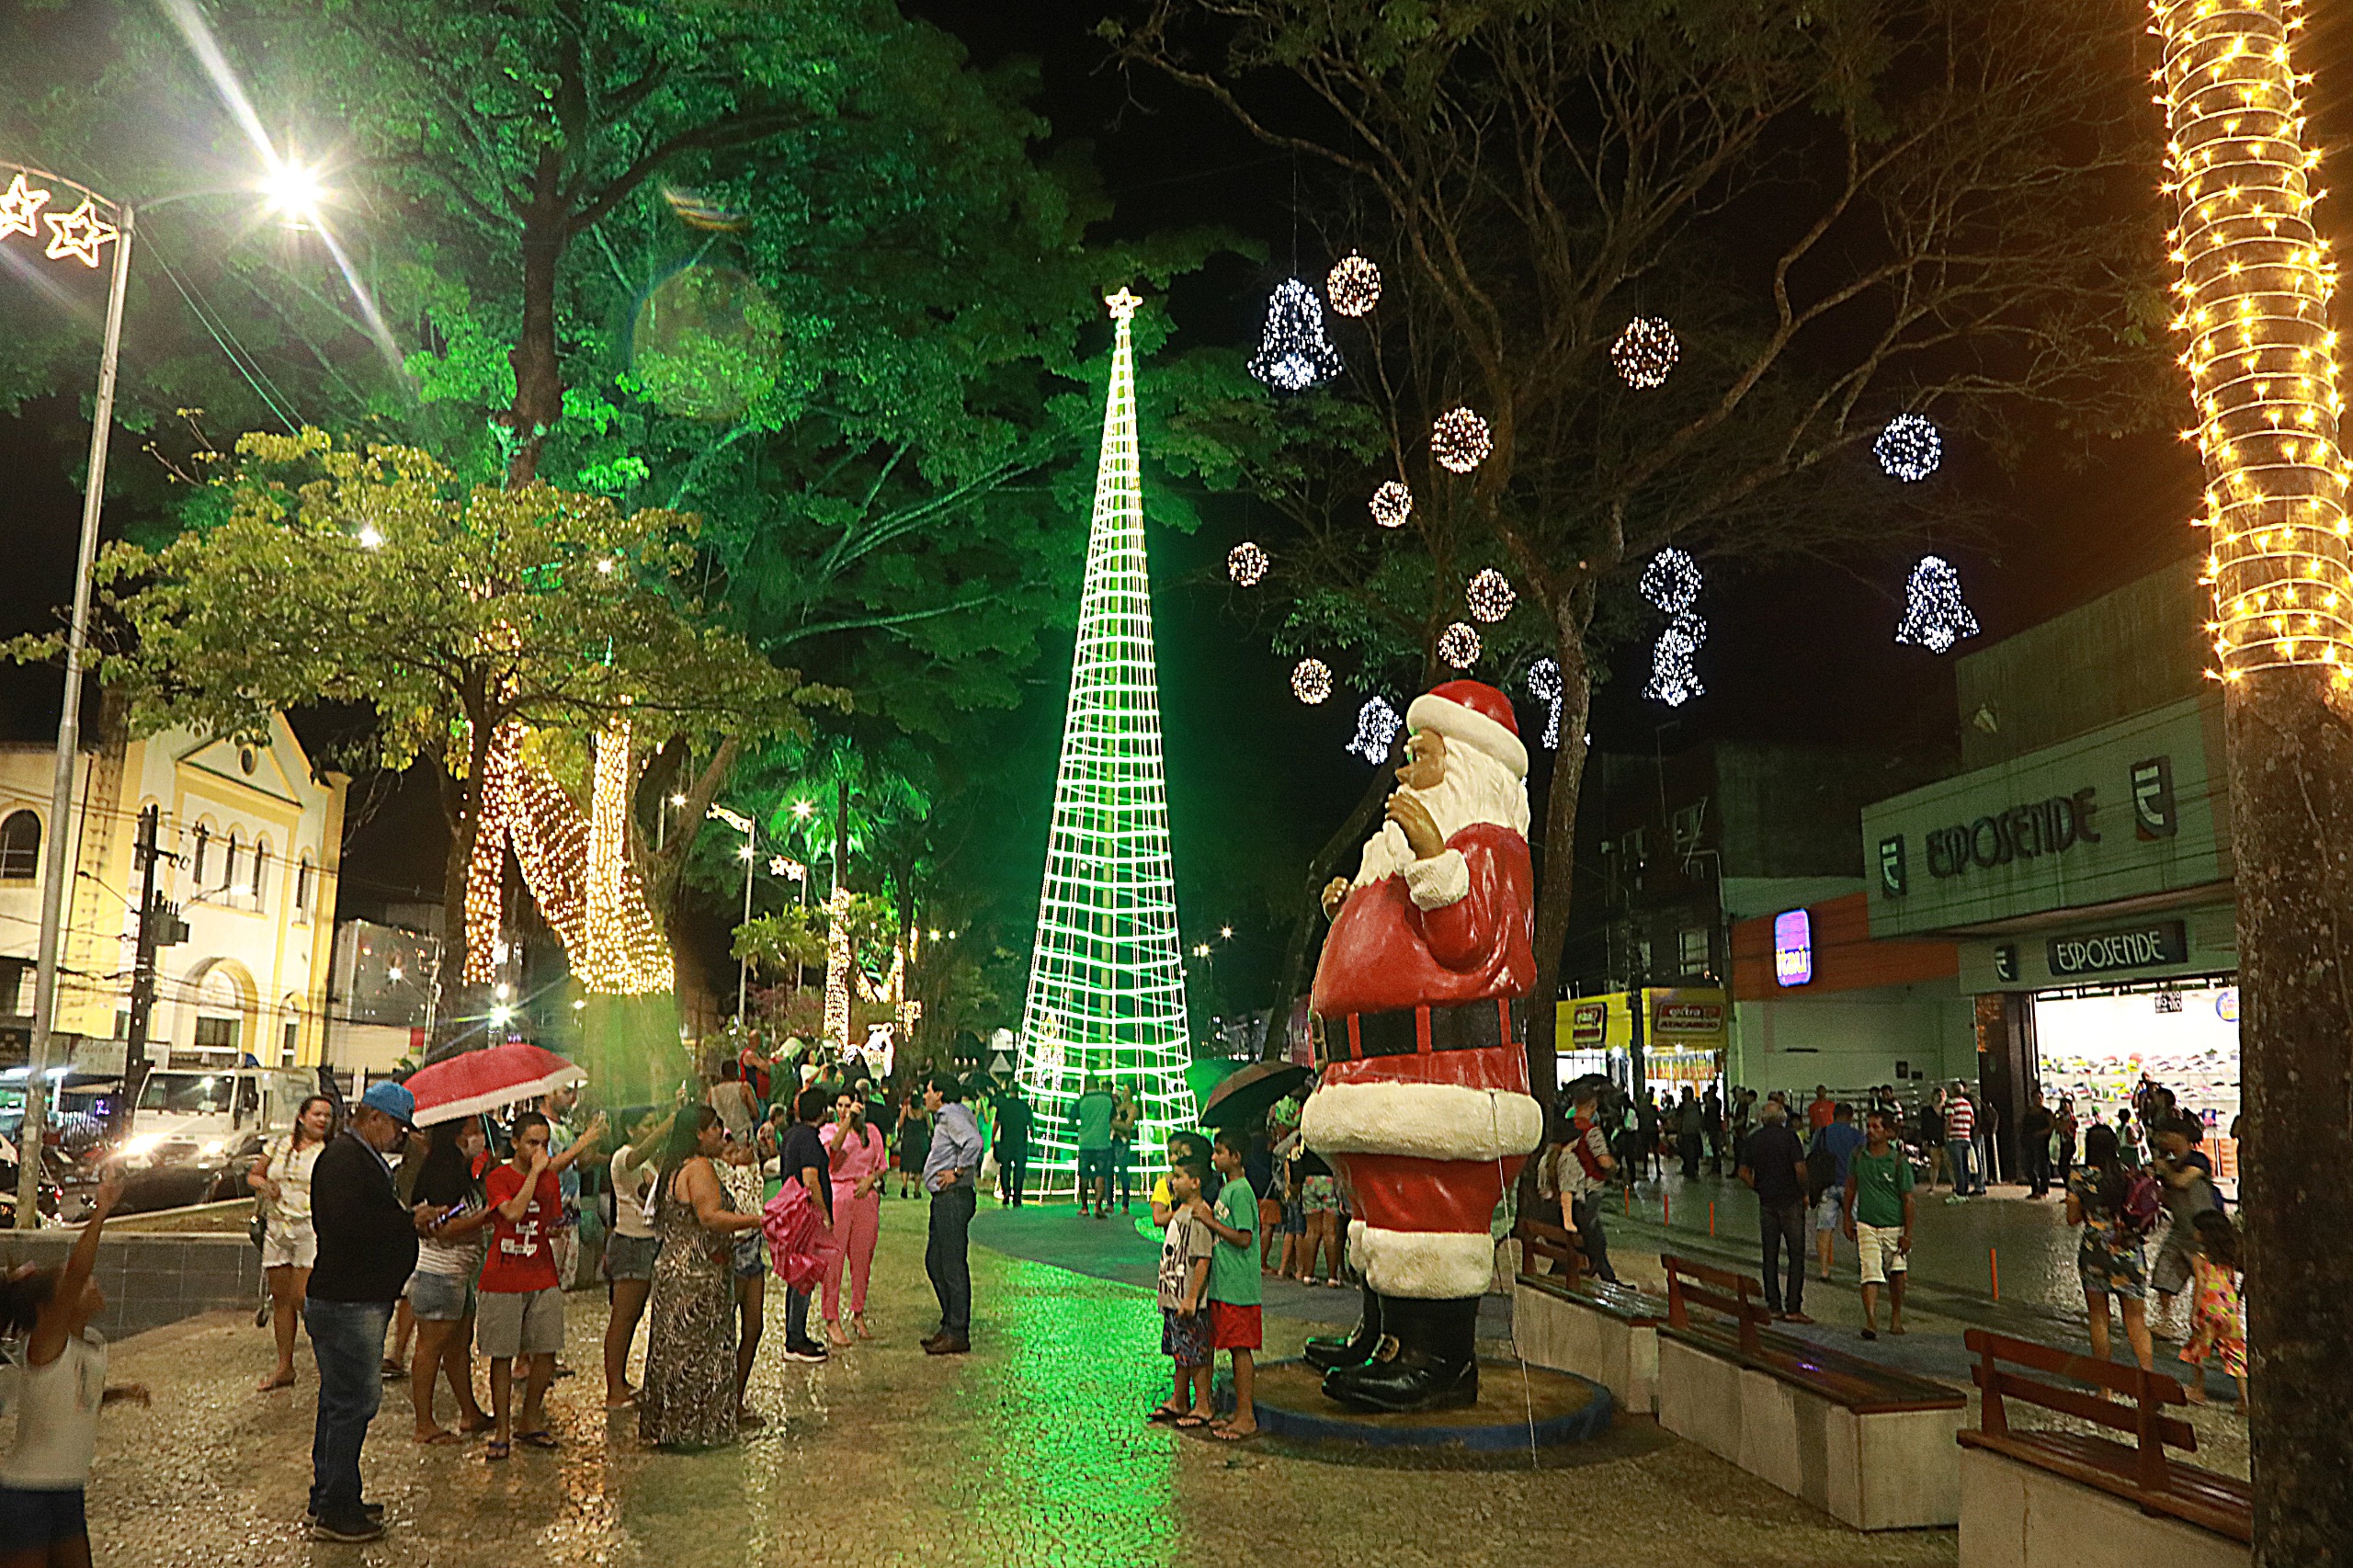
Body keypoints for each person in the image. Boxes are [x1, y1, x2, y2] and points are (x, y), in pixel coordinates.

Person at [1299, 682, 1542, 1414]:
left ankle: (1440, 1357)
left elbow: (1473, 944)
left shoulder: (1492, 848)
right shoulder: (1404, 855)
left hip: (1443, 1078)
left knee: (1426, 1215)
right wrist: (1354, 909)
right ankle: (1384, 1337)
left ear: (1467, 765)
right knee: (1379, 1216)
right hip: (1377, 1076)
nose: (1403, 774)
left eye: (1420, 757)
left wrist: (1434, 856)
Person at [0, 1168, 150, 1565]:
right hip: (26, 1492)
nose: (92, 1283)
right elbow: (80, 1268)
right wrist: (100, 1211)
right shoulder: (47, 1343)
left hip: (67, 1489)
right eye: (76, 1286)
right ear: (49, 1309)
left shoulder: (91, 1344)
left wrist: (118, 1393)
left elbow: (76, 1400)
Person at [304, 1080, 424, 1542]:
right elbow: (353, 1225)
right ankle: (336, 1507)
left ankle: (335, 1492)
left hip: (356, 1297)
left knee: (339, 1402)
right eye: (396, 1125)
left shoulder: (359, 1158)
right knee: (353, 1403)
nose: (399, 1135)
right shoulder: (344, 1161)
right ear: (373, 1117)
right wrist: (406, 1221)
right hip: (347, 1301)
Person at [638, 1107, 767, 1449]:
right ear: (698, 1133)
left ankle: (669, 1425)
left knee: (673, 1350)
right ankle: (695, 1428)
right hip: (697, 1272)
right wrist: (755, 1221)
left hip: (674, 1268)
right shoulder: (699, 1167)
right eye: (714, 1128)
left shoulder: (674, 1168)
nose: (721, 1134)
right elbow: (709, 1216)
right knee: (697, 1352)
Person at [477, 1108, 602, 1460]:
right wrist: (535, 1172)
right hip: (503, 1276)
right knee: (501, 1354)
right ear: (515, 1142)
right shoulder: (498, 1177)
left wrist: (555, 1224)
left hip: (541, 1271)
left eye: (544, 1144)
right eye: (532, 1142)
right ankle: (502, 1427)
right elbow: (513, 1213)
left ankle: (529, 1417)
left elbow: (547, 1218)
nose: (539, 1150)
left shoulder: (548, 1180)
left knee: (546, 1349)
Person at [406, 1115, 494, 1445]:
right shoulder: (442, 1172)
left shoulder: (460, 1170)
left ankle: (470, 1412)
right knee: (430, 1349)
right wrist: (486, 1217)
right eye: (474, 1130)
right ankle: (424, 1424)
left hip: (458, 1277)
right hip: (438, 1274)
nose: (479, 1136)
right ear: (457, 1136)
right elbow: (441, 1229)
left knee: (459, 1347)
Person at [250, 1093, 336, 1392]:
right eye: (317, 1114)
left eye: (327, 1115)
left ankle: (329, 1355)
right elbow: (255, 1175)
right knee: (281, 1297)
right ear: (302, 1117)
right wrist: (265, 1186)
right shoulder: (279, 1145)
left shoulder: (328, 1151)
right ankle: (285, 1365)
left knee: (303, 1296)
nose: (323, 1120)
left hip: (309, 1227)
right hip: (277, 1226)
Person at [2068, 1124, 2157, 1371]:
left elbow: (2072, 1218)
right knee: (2137, 1321)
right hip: (2129, 1250)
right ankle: (2148, 1384)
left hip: (2094, 1251)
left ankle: (2105, 1387)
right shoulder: (2128, 1174)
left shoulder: (2079, 1177)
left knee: (2099, 1319)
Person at [601, 1108, 674, 1410]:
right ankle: (614, 1388)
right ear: (630, 1130)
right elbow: (639, 1153)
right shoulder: (624, 1156)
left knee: (634, 1317)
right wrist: (671, 1123)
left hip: (648, 1242)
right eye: (647, 1124)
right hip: (630, 1242)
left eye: (656, 1123)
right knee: (623, 1317)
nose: (652, 1129)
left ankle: (621, 1382)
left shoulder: (646, 1161)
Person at [1196, 1128, 1260, 1441]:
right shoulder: (1227, 1189)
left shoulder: (1241, 1192)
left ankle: (1246, 1414)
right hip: (1226, 1282)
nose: (1214, 1157)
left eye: (1220, 1152)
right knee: (1232, 1346)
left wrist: (1211, 1222)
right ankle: (1238, 1413)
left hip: (1239, 1285)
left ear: (1235, 1157)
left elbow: (1244, 1238)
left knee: (1240, 1348)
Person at [1146, 1154, 1218, 1431]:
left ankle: (1203, 1405)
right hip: (1174, 1296)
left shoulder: (1200, 1216)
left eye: (1178, 1177)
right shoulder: (1182, 1212)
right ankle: (1179, 1399)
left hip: (1188, 1298)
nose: (1172, 1182)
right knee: (1181, 1350)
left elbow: (1203, 1258)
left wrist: (1191, 1297)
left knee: (1195, 1352)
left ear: (1196, 1182)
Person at [921, 1071, 984, 1355]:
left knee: (951, 1263)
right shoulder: (957, 1113)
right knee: (936, 1260)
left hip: (952, 1198)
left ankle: (957, 1329)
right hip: (948, 1198)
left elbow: (974, 1142)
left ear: (941, 1095)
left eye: (929, 1090)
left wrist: (958, 1171)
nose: (925, 1096)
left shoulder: (950, 1115)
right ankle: (949, 1323)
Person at [775, 1087, 837, 1364]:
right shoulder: (810, 1139)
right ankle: (795, 1339)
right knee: (803, 1274)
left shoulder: (791, 1134)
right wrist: (825, 1214)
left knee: (798, 1273)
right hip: (805, 1214)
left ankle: (795, 1333)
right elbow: (811, 1178)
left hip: (791, 1210)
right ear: (822, 1111)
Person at [821, 1087, 888, 1345]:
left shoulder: (872, 1132)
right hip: (839, 1195)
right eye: (839, 1105)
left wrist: (870, 1179)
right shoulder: (829, 1131)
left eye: (848, 1105)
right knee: (834, 1261)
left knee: (862, 1258)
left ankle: (858, 1312)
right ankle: (831, 1317)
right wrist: (846, 1121)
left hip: (865, 1196)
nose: (843, 1110)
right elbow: (832, 1154)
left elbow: (882, 1165)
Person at [1844, 1108, 1916, 1341]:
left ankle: (1896, 1316)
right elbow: (1850, 1188)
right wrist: (1847, 1218)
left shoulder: (1898, 1161)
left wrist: (1908, 1233)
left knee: (1897, 1273)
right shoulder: (1858, 1156)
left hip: (1894, 1225)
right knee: (1869, 1272)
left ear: (1888, 1132)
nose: (1871, 1131)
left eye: (1876, 1127)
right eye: (1869, 1126)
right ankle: (1871, 1320)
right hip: (1866, 1223)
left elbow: (1908, 1199)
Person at [1736, 1098, 1812, 1324]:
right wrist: (1805, 1192)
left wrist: (1758, 1187)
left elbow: (1742, 1172)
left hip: (1767, 1202)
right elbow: (1800, 1169)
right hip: (1790, 1201)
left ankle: (1774, 1306)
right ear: (1783, 1118)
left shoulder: (1754, 1140)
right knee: (1796, 1255)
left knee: (1770, 1255)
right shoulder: (1791, 1138)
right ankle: (1793, 1307)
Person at [2147, 1116, 2222, 1338]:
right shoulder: (2166, 1161)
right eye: (2161, 1135)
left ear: (2185, 1139)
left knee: (2208, 1285)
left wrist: (2164, 1172)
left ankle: (2208, 1328)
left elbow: (2182, 1182)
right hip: (2180, 1230)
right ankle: (2165, 1321)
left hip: (2205, 1233)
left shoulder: (2198, 1160)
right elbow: (2170, 1196)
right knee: (2163, 1275)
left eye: (2169, 1135)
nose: (2164, 1140)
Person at [713, 1136, 771, 1419]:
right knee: (724, 1333)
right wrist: (740, 1167)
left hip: (753, 1252)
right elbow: (744, 1208)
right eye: (731, 1151)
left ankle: (736, 1398)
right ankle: (720, 1402)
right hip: (732, 1252)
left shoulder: (752, 1171)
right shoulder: (716, 1173)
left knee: (754, 1328)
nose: (738, 1154)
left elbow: (756, 1203)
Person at [1539, 1086, 1619, 1284]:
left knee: (1587, 1235)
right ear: (1592, 1106)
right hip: (1587, 1190)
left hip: (1565, 1196)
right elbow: (1604, 1162)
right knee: (1595, 1235)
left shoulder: (1566, 1129)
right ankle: (1606, 1275)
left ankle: (1604, 1273)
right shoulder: (1591, 1132)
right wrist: (1615, 1167)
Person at [2180, 1209, 2246, 1408]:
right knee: (2235, 1353)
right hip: (2229, 1310)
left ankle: (2197, 1389)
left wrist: (2193, 1313)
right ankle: (2245, 1400)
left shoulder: (2200, 1258)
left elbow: (2200, 1285)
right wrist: (2238, 1298)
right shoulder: (2231, 1257)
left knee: (2197, 1348)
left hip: (2208, 1309)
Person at [1807, 1104, 1865, 1281]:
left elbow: (1812, 1156)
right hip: (1851, 1186)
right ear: (1851, 1116)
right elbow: (1863, 1161)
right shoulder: (1858, 1136)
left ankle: (1824, 1270)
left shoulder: (1822, 1133)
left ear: (1833, 1115)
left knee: (1824, 1229)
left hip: (1827, 1185)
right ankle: (1864, 1267)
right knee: (1860, 1228)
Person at [1071, 1077, 1118, 1219]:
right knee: (1100, 1174)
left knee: (1084, 1175)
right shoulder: (1107, 1100)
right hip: (1103, 1143)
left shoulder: (1082, 1101)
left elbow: (1071, 1119)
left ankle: (1084, 1207)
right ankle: (1098, 1206)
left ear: (1085, 1086)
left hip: (1085, 1143)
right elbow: (1113, 1118)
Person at [991, 1082, 1032, 1206]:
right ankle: (1017, 1197)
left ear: (1009, 1091)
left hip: (1006, 1141)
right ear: (1019, 1091)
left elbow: (996, 1124)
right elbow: (1030, 1125)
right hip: (1020, 1142)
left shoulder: (1003, 1106)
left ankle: (1006, 1192)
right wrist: (1032, 1137)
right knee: (1019, 1169)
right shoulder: (1025, 1106)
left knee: (1005, 1167)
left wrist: (992, 1139)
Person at [1942, 1083, 1980, 1198]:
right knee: (1965, 1166)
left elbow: (1950, 1121)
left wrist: (1946, 1134)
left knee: (1957, 1166)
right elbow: (1972, 1122)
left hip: (1955, 1138)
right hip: (1966, 1137)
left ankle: (1960, 1191)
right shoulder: (1968, 1104)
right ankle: (1966, 1188)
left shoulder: (1951, 1103)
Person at [708, 1059, 757, 1141]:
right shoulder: (744, 1088)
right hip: (743, 1136)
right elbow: (755, 1113)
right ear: (737, 1071)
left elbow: (708, 1114)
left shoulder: (712, 1091)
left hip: (722, 1137)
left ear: (722, 1073)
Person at [894, 1091, 930, 1200]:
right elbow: (930, 1126)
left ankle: (904, 1187)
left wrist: (899, 1136)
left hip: (908, 1139)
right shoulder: (924, 1111)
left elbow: (900, 1125)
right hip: (920, 1141)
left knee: (905, 1165)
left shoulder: (905, 1110)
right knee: (918, 1168)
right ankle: (916, 1191)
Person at [1109, 1085, 1139, 1214]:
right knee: (1108, 1170)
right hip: (1112, 1139)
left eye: (1126, 1091)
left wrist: (1114, 1123)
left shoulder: (1133, 1108)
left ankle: (1125, 1204)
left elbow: (1127, 1126)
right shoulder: (1117, 1106)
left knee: (1122, 1170)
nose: (1123, 1093)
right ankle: (1110, 1203)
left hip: (1123, 1142)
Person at [2020, 1092, 2054, 1199]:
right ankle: (2034, 1188)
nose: (2038, 1100)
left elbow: (2051, 1126)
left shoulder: (2046, 1113)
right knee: (2028, 1166)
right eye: (2036, 1098)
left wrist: (2041, 1133)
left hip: (2042, 1143)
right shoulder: (2028, 1112)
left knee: (2043, 1166)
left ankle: (2044, 1190)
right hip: (2028, 1142)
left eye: (2040, 1098)